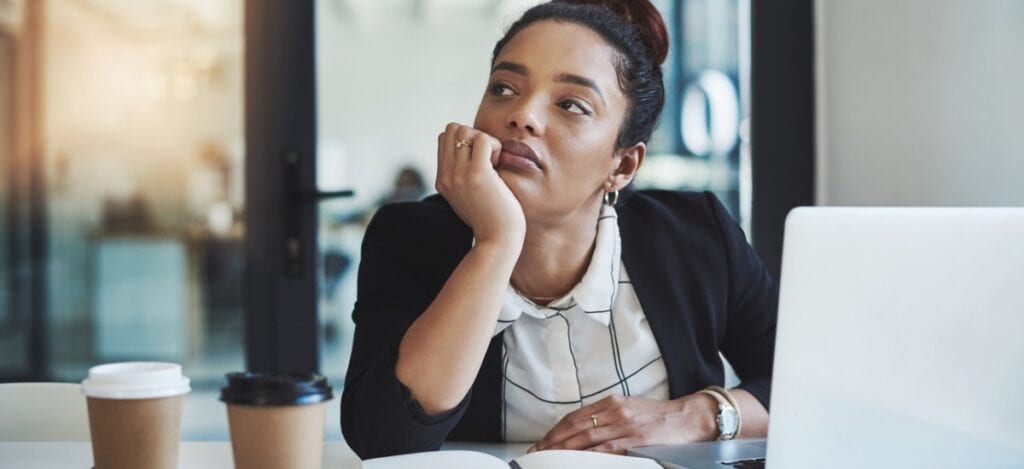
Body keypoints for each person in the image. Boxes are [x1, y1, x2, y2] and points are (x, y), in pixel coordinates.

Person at [341, 0, 777, 459]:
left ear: (623, 164)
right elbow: (383, 439)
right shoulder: (409, 236)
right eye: (504, 88)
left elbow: (806, 387)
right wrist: (495, 242)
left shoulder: (697, 233)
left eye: (571, 104)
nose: (522, 115)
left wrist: (696, 415)